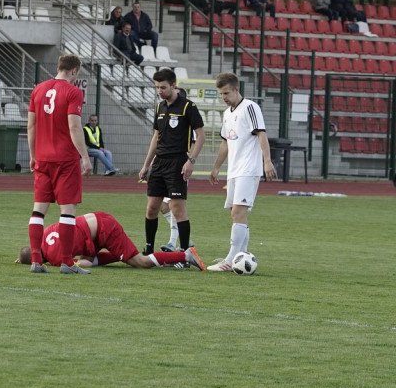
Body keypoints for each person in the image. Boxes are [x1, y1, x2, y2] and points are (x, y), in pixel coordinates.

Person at [26, 54, 92, 274]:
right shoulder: (74, 92)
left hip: (42, 158)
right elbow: (74, 127)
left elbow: (31, 126)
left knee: (39, 210)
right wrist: (85, 156)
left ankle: (36, 261)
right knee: (68, 210)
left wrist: (33, 154)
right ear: (74, 71)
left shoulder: (38, 89)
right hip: (65, 159)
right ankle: (66, 262)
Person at [207, 72, 276, 272]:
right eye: (221, 94)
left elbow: (261, 134)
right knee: (235, 214)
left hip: (249, 169)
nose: (223, 97)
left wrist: (267, 161)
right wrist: (217, 166)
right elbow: (225, 143)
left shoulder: (251, 107)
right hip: (234, 170)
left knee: (238, 212)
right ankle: (241, 254)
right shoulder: (228, 113)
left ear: (237, 89)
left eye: (226, 93)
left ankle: (230, 259)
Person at [139, 68, 205, 255]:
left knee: (177, 208)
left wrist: (191, 160)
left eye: (163, 87)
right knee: (152, 207)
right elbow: (156, 137)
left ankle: (185, 253)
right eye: (157, 87)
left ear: (173, 85)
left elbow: (201, 136)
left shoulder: (187, 107)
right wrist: (146, 165)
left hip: (178, 162)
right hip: (159, 163)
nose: (159, 91)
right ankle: (149, 250)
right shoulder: (159, 107)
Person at [16, 211, 204, 271]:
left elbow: (83, 264)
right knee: (88, 256)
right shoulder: (46, 234)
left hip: (103, 230)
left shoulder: (55, 258)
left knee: (141, 263)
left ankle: (185, 255)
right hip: (94, 223)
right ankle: (123, 256)